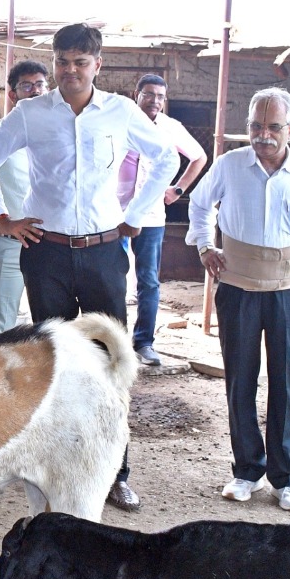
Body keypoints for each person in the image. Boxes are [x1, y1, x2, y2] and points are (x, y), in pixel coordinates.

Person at [0, 23, 178, 512]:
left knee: (111, 361)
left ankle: (116, 473)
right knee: (56, 360)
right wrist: (1, 218)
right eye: (62, 62)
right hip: (46, 252)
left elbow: (165, 157)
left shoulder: (120, 111)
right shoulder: (31, 113)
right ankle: (58, 471)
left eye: (80, 62)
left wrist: (135, 216)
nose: (70, 71)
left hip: (105, 251)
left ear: (97, 65)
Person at [188, 87, 290, 513]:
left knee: (288, 384)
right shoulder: (230, 166)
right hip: (237, 290)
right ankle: (246, 471)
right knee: (240, 380)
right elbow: (200, 207)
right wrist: (203, 247)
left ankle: (287, 479)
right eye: (256, 126)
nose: (263, 135)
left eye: (273, 127)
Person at [120, 74, 208, 366]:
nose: (154, 100)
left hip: (152, 217)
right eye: (149, 94)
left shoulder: (171, 128)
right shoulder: (120, 121)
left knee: (148, 280)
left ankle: (144, 342)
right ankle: (115, 343)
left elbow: (199, 157)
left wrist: (179, 189)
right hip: (114, 213)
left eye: (160, 96)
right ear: (137, 94)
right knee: (112, 278)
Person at [0, 59, 47, 335]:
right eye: (27, 86)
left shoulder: (56, 134)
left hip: (51, 246)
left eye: (40, 85)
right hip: (9, 244)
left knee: (49, 327)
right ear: (12, 94)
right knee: (2, 328)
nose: (36, 91)